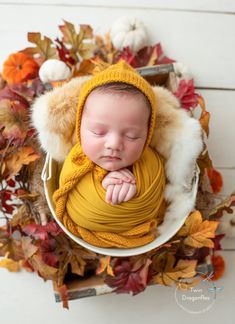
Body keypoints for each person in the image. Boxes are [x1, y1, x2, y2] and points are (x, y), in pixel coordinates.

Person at [53, 61, 166, 248]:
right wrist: (103, 184)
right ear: (79, 127)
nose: (114, 144)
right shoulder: (75, 160)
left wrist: (134, 191)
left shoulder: (153, 167)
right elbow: (75, 205)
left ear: (148, 134)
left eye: (132, 135)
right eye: (98, 132)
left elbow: (158, 204)